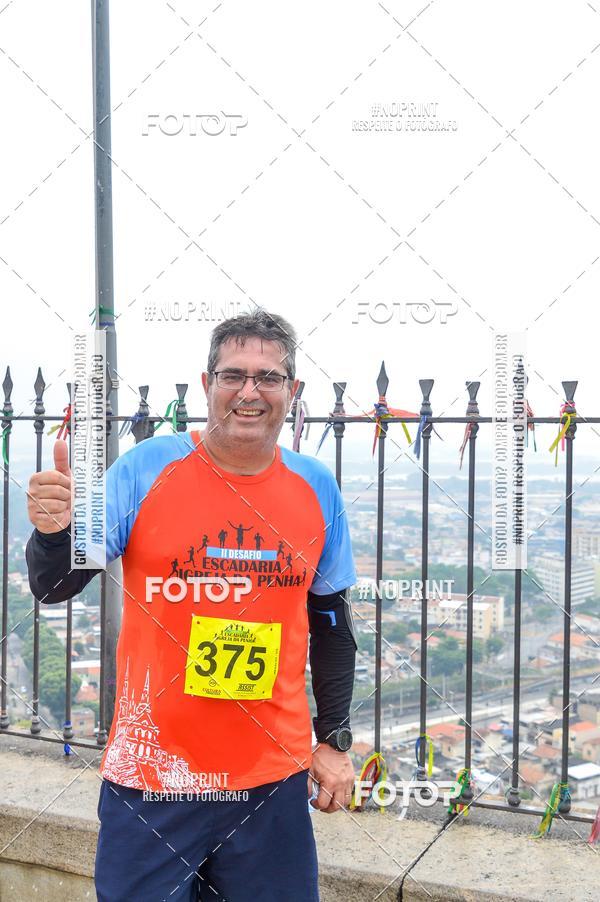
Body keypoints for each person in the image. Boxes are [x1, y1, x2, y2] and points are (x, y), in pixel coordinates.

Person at [26, 310, 358, 902]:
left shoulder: (316, 487)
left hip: (269, 781)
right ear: (206, 385)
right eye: (233, 375)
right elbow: (55, 587)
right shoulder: (146, 467)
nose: (249, 391)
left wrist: (333, 742)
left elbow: (332, 625)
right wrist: (54, 532)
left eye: (268, 377)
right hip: (153, 780)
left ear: (292, 392)